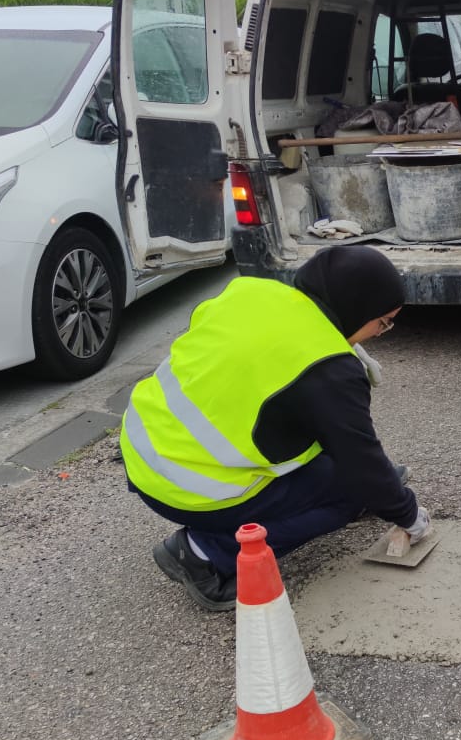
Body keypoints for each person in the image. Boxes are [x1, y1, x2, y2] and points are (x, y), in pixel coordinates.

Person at [120, 245, 428, 611]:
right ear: (357, 309)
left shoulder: (254, 292)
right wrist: (405, 513)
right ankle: (203, 552)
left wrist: (380, 482)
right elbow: (358, 455)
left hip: (143, 447)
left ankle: (369, 489)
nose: (381, 333)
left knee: (358, 474)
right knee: (354, 491)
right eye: (383, 322)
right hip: (186, 485)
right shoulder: (329, 368)